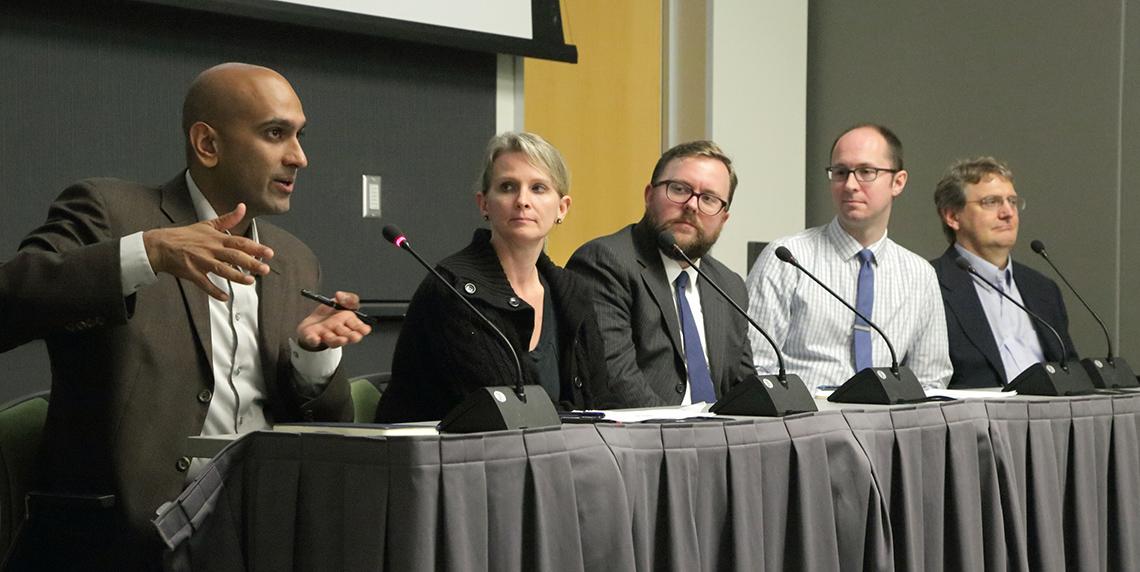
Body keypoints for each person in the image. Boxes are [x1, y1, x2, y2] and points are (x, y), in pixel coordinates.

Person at [1, 62, 371, 569]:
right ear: (208, 145)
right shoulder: (112, 213)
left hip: (263, 527)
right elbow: (11, 301)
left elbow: (326, 423)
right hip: (132, 539)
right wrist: (146, 254)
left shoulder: (293, 259)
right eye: (275, 133)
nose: (299, 157)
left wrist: (313, 359)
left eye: (300, 136)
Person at [374, 132, 607, 422]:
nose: (523, 200)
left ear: (562, 208)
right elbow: (506, 413)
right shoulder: (453, 289)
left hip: (553, 457)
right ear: (484, 204)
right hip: (454, 460)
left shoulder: (572, 292)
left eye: (538, 188)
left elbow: (600, 401)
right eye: (508, 187)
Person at [746, 124, 951, 392]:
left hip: (887, 426)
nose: (850, 185)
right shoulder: (786, 258)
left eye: (866, 172)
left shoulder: (919, 274)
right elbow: (756, 366)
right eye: (840, 172)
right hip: (803, 424)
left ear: (898, 182)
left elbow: (931, 380)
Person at [566, 140, 755, 408]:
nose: (691, 205)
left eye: (709, 199)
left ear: (723, 219)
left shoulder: (729, 285)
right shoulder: (605, 262)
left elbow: (743, 387)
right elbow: (616, 382)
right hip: (647, 442)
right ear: (649, 195)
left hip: (718, 441)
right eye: (679, 189)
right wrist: (687, 436)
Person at [931, 157, 1077, 388]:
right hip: (976, 420)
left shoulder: (1043, 289)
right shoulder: (929, 285)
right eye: (991, 202)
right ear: (952, 216)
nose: (1008, 212)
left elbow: (1070, 372)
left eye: (1012, 201)